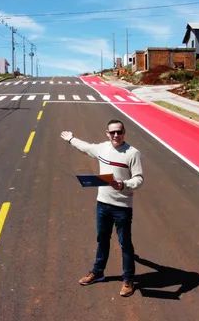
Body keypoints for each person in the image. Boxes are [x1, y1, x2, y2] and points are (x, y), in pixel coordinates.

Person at [60, 119, 144, 297]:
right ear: (107, 133)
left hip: (122, 207)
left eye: (119, 132)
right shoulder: (102, 148)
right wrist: (71, 139)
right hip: (102, 204)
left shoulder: (133, 153)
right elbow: (86, 147)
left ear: (124, 133)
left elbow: (139, 179)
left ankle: (128, 279)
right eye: (112, 132)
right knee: (102, 239)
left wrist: (124, 184)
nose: (116, 135)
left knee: (125, 244)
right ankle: (98, 272)